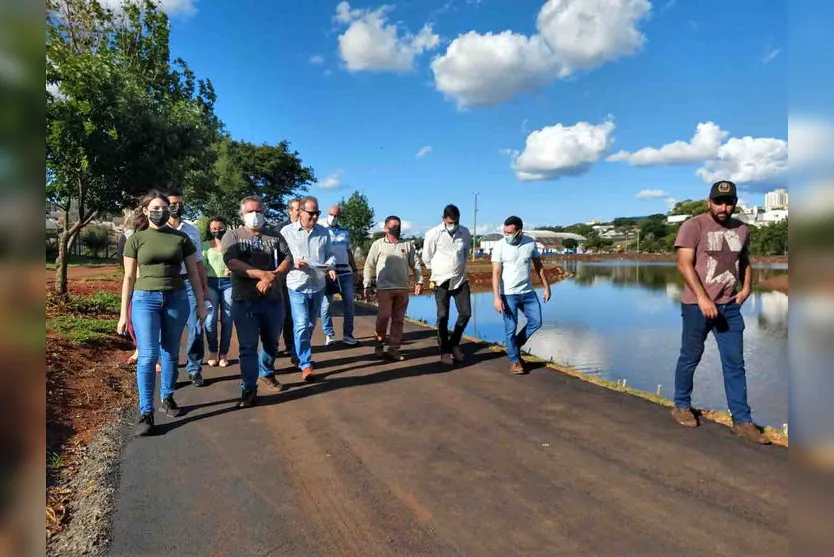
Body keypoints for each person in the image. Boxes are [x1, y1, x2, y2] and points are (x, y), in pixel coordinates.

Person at [671, 180, 769, 444]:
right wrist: (703, 298)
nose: (724, 207)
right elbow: (683, 264)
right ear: (709, 202)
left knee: (735, 364)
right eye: (719, 202)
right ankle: (681, 404)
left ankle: (742, 421)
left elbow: (745, 260)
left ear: (735, 203)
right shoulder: (694, 226)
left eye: (729, 202)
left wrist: (747, 288)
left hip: (730, 307)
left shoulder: (741, 230)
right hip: (697, 306)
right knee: (690, 357)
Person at [117, 191, 207, 436]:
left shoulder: (181, 238)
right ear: (145, 211)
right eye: (155, 207)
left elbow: (194, 273)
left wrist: (201, 303)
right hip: (145, 299)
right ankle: (146, 412)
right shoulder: (135, 239)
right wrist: (124, 313)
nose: (161, 211)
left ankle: (167, 397)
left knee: (170, 351)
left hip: (176, 298)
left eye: (164, 207)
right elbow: (127, 277)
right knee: (148, 355)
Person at [222, 196, 292, 407]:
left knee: (272, 341)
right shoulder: (232, 236)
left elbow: (288, 258)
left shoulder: (274, 236)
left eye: (259, 211)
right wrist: (262, 275)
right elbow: (232, 262)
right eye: (251, 211)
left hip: (273, 299)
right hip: (245, 300)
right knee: (248, 346)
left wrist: (274, 276)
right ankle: (249, 388)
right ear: (242, 214)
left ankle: (267, 372)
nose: (255, 215)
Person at [280, 196, 337, 381]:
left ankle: (298, 352)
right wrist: (293, 262)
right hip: (296, 284)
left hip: (318, 284)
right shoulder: (286, 232)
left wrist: (330, 267)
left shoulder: (324, 232)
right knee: (302, 323)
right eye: (311, 213)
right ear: (301, 212)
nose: (314, 217)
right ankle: (306, 364)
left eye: (317, 213)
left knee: (310, 324)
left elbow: (331, 256)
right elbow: (280, 257)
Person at [491, 216, 551, 375]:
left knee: (536, 321)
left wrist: (546, 287)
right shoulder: (499, 246)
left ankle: (513, 346)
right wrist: (496, 297)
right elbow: (496, 273)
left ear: (519, 232)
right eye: (504, 232)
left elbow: (538, 266)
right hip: (508, 294)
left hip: (528, 292)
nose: (507, 235)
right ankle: (515, 361)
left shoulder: (530, 243)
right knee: (510, 328)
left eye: (510, 233)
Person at [166, 191, 211, 387]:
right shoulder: (157, 230)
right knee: (169, 330)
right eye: (173, 203)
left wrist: (204, 289)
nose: (178, 207)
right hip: (167, 282)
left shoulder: (192, 231)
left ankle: (194, 368)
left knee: (196, 327)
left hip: (189, 282)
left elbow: (199, 263)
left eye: (180, 204)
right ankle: (171, 370)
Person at [363, 216, 424, 361]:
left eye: (398, 227)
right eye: (392, 227)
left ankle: (394, 349)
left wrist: (419, 282)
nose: (396, 229)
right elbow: (369, 265)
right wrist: (367, 283)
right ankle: (379, 343)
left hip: (402, 288)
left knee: (398, 320)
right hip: (384, 288)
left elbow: (415, 265)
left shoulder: (407, 245)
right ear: (385, 228)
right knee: (384, 316)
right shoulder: (378, 245)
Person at [422, 204, 472, 366]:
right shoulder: (433, 234)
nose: (453, 225)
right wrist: (435, 273)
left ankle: (454, 343)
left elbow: (465, 253)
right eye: (450, 222)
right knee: (443, 317)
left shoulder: (465, 232)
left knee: (466, 313)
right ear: (443, 219)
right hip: (440, 281)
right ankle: (444, 351)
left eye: (455, 222)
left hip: (460, 280)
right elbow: (426, 258)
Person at [320, 204, 359, 346]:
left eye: (336, 215)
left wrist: (355, 269)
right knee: (325, 306)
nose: (333, 217)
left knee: (349, 304)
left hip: (345, 272)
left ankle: (348, 334)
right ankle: (329, 333)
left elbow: (348, 251)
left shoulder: (345, 231)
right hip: (329, 272)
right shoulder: (321, 231)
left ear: (340, 216)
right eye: (331, 214)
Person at [202, 216, 233, 368]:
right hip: (211, 283)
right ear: (209, 230)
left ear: (225, 228)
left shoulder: (232, 246)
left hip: (229, 284)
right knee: (210, 319)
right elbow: (201, 267)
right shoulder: (205, 247)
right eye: (214, 228)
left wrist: (232, 269)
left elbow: (238, 262)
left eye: (220, 228)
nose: (217, 231)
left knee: (227, 318)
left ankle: (224, 353)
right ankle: (213, 350)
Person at [276, 198, 302, 365]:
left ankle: (293, 348)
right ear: (290, 211)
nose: (300, 212)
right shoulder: (279, 229)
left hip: (301, 279)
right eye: (297, 209)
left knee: (296, 316)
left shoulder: (308, 229)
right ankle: (273, 345)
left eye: (302, 209)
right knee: (281, 313)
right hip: (283, 277)